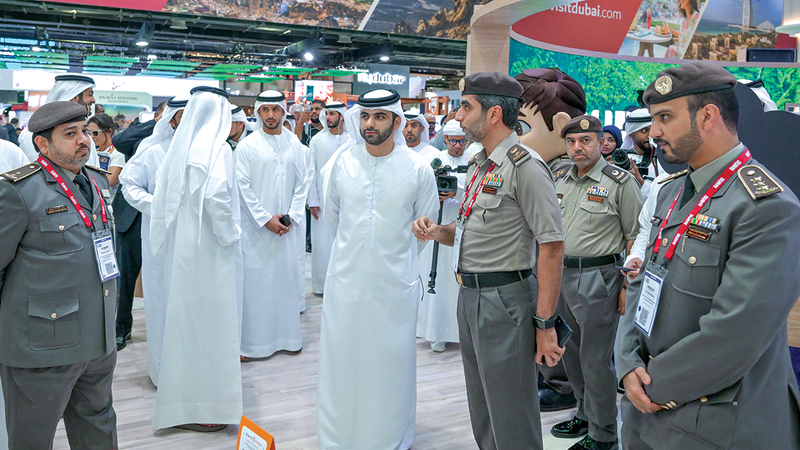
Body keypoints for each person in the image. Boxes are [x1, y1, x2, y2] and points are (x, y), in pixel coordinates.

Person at [617, 62, 800, 450]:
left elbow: (736, 333)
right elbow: (642, 284)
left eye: (665, 117)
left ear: (708, 116)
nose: (654, 132)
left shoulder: (767, 206)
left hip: (716, 421)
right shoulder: (669, 192)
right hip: (644, 410)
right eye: (653, 119)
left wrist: (650, 386)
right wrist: (626, 363)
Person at [413, 72, 565, 449]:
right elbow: (469, 230)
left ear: (494, 113)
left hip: (505, 300)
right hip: (471, 295)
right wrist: (437, 231)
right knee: (482, 405)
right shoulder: (481, 163)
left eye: (467, 107)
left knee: (511, 411)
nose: (459, 116)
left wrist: (545, 324)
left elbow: (552, 247)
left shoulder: (525, 166)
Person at [317, 88, 439, 449]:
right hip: (346, 283)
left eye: (380, 117)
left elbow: (424, 230)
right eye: (366, 117)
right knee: (343, 360)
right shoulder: (341, 162)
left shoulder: (419, 169)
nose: (370, 124)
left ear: (397, 121)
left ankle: (389, 436)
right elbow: (333, 221)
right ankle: (339, 436)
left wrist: (391, 259)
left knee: (390, 363)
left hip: (393, 286)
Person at [0, 101, 118, 449]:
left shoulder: (95, 182)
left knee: (98, 430)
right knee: (32, 437)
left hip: (97, 342)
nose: (84, 140)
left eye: (84, 131)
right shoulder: (18, 191)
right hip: (41, 348)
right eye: (70, 134)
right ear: (43, 144)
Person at [150, 86, 242, 432]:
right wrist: (231, 234)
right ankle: (207, 407)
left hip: (186, 248)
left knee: (188, 325)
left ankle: (185, 402)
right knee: (211, 327)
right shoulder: (218, 149)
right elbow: (218, 196)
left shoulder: (183, 147)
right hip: (211, 250)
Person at [550, 115, 642, 450]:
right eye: (571, 142)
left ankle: (604, 435)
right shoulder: (559, 176)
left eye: (585, 141)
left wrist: (628, 288)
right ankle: (585, 414)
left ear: (600, 142)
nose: (577, 148)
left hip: (599, 279)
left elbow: (635, 237)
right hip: (561, 276)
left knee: (595, 359)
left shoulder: (620, 182)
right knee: (570, 355)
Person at [515, 67, 587, 413]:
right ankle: (552, 379)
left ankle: (563, 386)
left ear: (560, 125)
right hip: (537, 266)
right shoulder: (536, 168)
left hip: (569, 269)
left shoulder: (567, 174)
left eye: (522, 129)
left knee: (562, 329)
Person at [119, 95, 188, 386]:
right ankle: (163, 371)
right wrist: (154, 206)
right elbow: (128, 184)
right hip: (160, 240)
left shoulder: (210, 152)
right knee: (162, 301)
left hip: (195, 243)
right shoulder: (152, 151)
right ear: (173, 120)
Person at [235, 90, 307, 360]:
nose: (271, 115)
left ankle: (288, 339)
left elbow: (303, 182)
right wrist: (265, 219)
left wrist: (292, 216)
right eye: (265, 110)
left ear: (283, 111)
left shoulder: (294, 144)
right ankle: (252, 345)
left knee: (285, 283)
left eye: (275, 109)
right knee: (256, 287)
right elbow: (242, 187)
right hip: (256, 231)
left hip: (286, 229)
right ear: (258, 112)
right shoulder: (247, 145)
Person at [109, 101, 168, 352]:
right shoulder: (142, 139)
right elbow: (120, 141)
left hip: (164, 220)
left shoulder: (184, 142)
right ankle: (122, 329)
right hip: (132, 217)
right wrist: (160, 123)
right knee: (125, 277)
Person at [417, 119, 470, 353]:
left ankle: (461, 334)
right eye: (453, 141)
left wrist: (456, 191)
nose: (458, 146)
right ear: (445, 139)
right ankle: (437, 333)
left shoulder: (475, 160)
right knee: (437, 282)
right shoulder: (434, 159)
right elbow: (420, 189)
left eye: (462, 141)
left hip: (462, 228)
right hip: (437, 228)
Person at [307, 101, 349, 295]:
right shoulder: (317, 140)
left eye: (333, 113)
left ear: (341, 115)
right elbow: (311, 172)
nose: (329, 117)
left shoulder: (351, 140)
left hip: (347, 201)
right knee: (322, 244)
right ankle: (321, 286)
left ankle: (341, 286)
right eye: (328, 113)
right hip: (322, 202)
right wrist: (312, 201)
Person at [19, 75, 100, 166]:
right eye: (70, 134)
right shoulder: (33, 134)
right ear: (74, 98)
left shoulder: (83, 136)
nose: (93, 100)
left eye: (84, 131)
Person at [620, 108, 658, 198]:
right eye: (644, 131)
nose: (650, 136)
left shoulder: (663, 161)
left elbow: (664, 197)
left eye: (652, 129)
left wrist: (641, 182)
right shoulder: (622, 160)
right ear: (631, 134)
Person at [88, 113, 124, 199]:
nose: (92, 137)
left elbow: (109, 181)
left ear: (109, 131)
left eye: (95, 133)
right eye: (89, 134)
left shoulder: (118, 153)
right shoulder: (93, 152)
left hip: (112, 201)